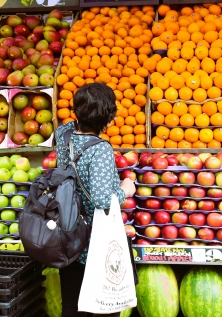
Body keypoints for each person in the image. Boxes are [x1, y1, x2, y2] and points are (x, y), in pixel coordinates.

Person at [54, 82, 136, 317]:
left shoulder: (64, 134)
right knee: (104, 306)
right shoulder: (100, 150)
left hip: (68, 232)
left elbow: (71, 126)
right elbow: (101, 200)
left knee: (71, 304)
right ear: (109, 119)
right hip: (93, 241)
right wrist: (125, 189)